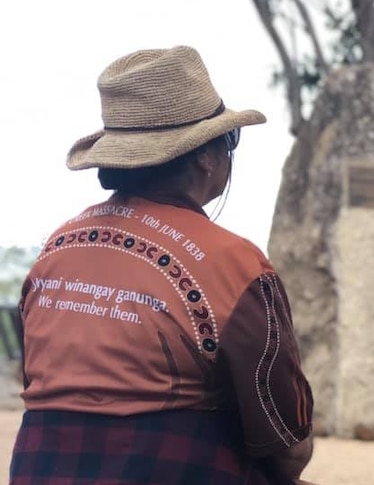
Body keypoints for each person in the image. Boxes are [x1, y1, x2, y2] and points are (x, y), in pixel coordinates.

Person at [11, 46, 316, 484]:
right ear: (206, 157)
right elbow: (285, 441)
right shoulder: (234, 263)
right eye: (229, 140)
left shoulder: (56, 249)